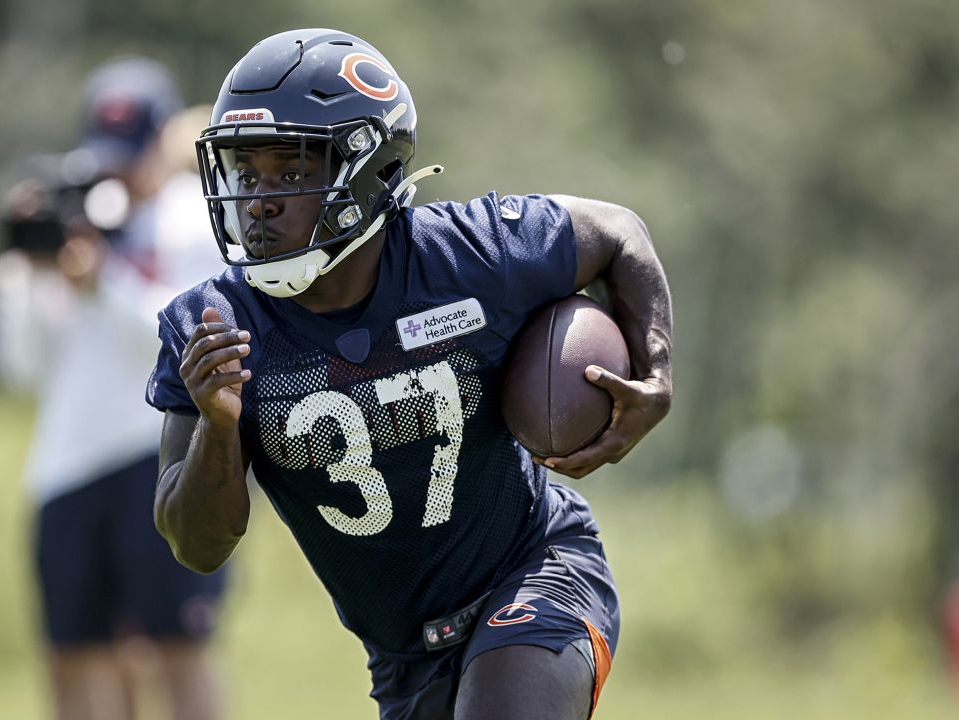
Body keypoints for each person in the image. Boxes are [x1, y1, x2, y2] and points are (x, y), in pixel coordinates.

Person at [146, 29, 673, 720]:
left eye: (292, 169)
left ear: (366, 169)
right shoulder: (210, 325)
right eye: (246, 173)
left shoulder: (470, 257)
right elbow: (197, 546)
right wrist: (219, 426)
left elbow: (616, 233)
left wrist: (656, 370)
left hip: (535, 570)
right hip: (403, 658)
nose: (260, 199)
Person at [0, 57, 226, 720]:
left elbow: (187, 343)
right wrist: (29, 275)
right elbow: (21, 366)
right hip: (65, 467)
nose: (117, 171)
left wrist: (104, 284)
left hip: (160, 456)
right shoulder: (72, 212)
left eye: (132, 153)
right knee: (73, 655)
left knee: (175, 647)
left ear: (161, 142)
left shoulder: (196, 221)